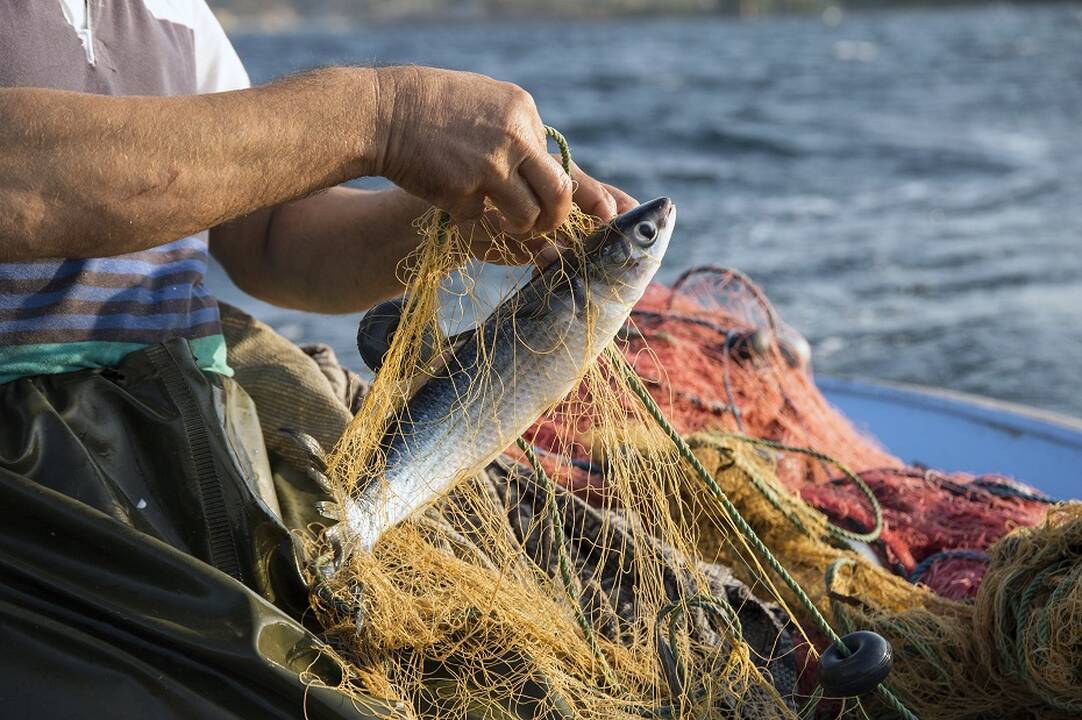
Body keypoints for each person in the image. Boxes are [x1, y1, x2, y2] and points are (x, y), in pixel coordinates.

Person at [0, 2, 637, 717]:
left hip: (198, 444)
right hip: (32, 486)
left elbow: (269, 237)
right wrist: (381, 116)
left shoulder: (173, 11)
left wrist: (452, 223)